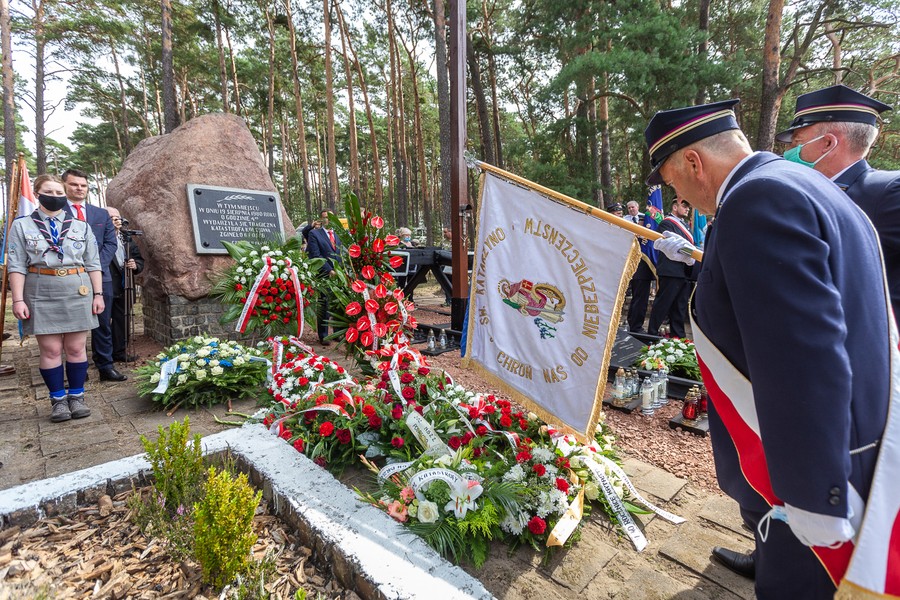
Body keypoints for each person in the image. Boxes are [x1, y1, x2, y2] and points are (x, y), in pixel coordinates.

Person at [646, 99, 894, 598]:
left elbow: (803, 358)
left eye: (674, 181)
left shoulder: (756, 203)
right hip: (857, 448)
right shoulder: (797, 184)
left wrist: (812, 501)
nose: (680, 195)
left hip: (819, 484)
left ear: (694, 162)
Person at [775, 84, 900, 316]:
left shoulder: (885, 191)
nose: (789, 152)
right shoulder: (810, 194)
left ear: (828, 143)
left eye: (796, 142)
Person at [7, 175, 105, 422]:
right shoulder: (21, 226)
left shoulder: (80, 226)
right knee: (50, 349)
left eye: (60, 193)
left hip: (77, 289)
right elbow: (16, 266)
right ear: (38, 194)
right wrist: (18, 300)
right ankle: (58, 400)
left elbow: (93, 263)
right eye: (49, 191)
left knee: (76, 347)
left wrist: (98, 294)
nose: (56, 196)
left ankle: (77, 396)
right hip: (41, 290)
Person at [62, 169, 124, 382]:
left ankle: (105, 366)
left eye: (83, 185)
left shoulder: (100, 214)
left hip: (101, 276)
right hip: (69, 275)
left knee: (103, 322)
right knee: (72, 323)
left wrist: (95, 266)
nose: (79, 188)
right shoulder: (56, 212)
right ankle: (76, 366)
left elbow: (110, 243)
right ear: (65, 186)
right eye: (74, 184)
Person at [647, 197, 693, 338]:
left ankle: (678, 336)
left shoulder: (685, 225)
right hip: (670, 270)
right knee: (663, 304)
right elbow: (674, 246)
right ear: (674, 207)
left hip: (684, 271)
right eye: (684, 206)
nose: (687, 209)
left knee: (679, 307)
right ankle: (652, 334)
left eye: (688, 207)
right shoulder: (667, 223)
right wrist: (692, 254)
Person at [106, 207, 145, 363]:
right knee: (102, 324)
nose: (116, 220)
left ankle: (120, 352)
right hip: (106, 286)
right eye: (111, 217)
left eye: (118, 217)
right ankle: (103, 356)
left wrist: (135, 265)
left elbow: (139, 259)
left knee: (122, 320)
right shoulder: (98, 238)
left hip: (124, 285)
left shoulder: (126, 238)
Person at [306, 218, 342, 346]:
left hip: (340, 275)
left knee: (338, 303)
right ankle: (324, 335)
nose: (328, 220)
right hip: (324, 274)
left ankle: (338, 333)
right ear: (321, 219)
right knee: (324, 304)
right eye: (325, 217)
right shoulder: (314, 234)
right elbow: (315, 255)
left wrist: (342, 271)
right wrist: (329, 270)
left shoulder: (338, 234)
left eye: (330, 217)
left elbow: (342, 253)